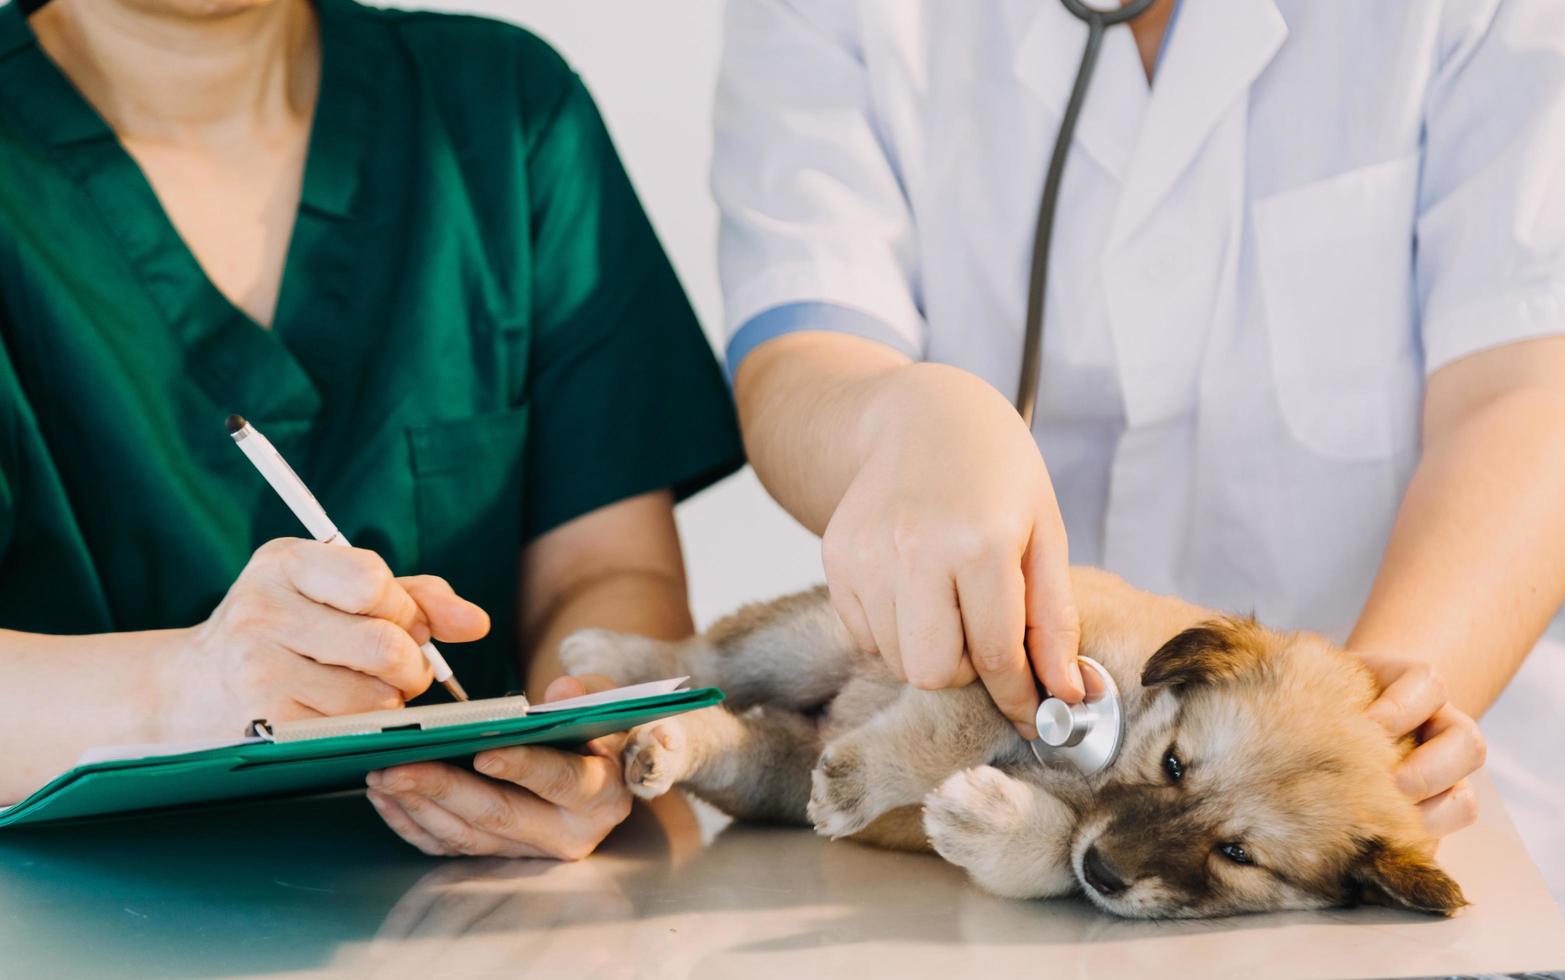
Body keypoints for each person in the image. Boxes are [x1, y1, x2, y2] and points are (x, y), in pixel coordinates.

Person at [714, 0, 1565, 898]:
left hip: (1373, 851)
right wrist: (900, 420)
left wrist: (1364, 752)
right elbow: (794, 360)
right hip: (973, 820)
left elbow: (1525, 397)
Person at [0, 0, 742, 859]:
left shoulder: (501, 109)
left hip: (482, 908)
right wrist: (184, 688)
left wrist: (596, 741)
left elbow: (609, 568)